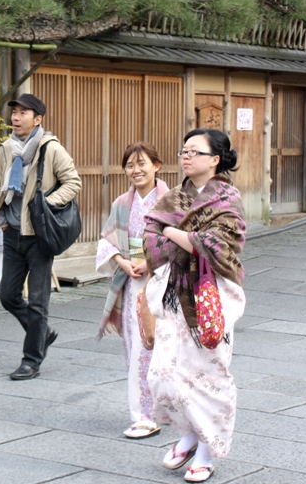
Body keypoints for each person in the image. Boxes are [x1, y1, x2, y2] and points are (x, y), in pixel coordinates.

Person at [142, 128, 246, 483]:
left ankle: (205, 449)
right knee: (164, 372)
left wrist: (173, 233)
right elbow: (150, 237)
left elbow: (218, 244)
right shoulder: (173, 196)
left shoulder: (227, 197)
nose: (185, 157)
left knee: (209, 375)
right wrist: (184, 238)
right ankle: (188, 433)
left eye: (194, 152)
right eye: (183, 151)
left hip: (211, 294)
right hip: (174, 292)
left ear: (215, 160)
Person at [0, 93, 82, 380]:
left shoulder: (51, 148)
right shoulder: (6, 148)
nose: (16, 117)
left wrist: (47, 204)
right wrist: (0, 215)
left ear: (38, 119)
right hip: (13, 232)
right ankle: (42, 333)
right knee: (7, 295)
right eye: (14, 112)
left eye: (23, 113)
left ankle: (31, 360)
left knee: (38, 300)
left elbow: (73, 182)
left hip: (38, 235)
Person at [96, 142, 169, 439]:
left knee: (165, 347)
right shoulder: (121, 204)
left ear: (157, 166)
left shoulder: (171, 201)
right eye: (130, 165)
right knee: (136, 349)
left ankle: (169, 409)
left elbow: (178, 243)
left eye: (142, 164)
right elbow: (106, 240)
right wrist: (121, 262)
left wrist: (149, 262)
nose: (136, 170)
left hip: (164, 281)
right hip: (132, 283)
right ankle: (142, 414)